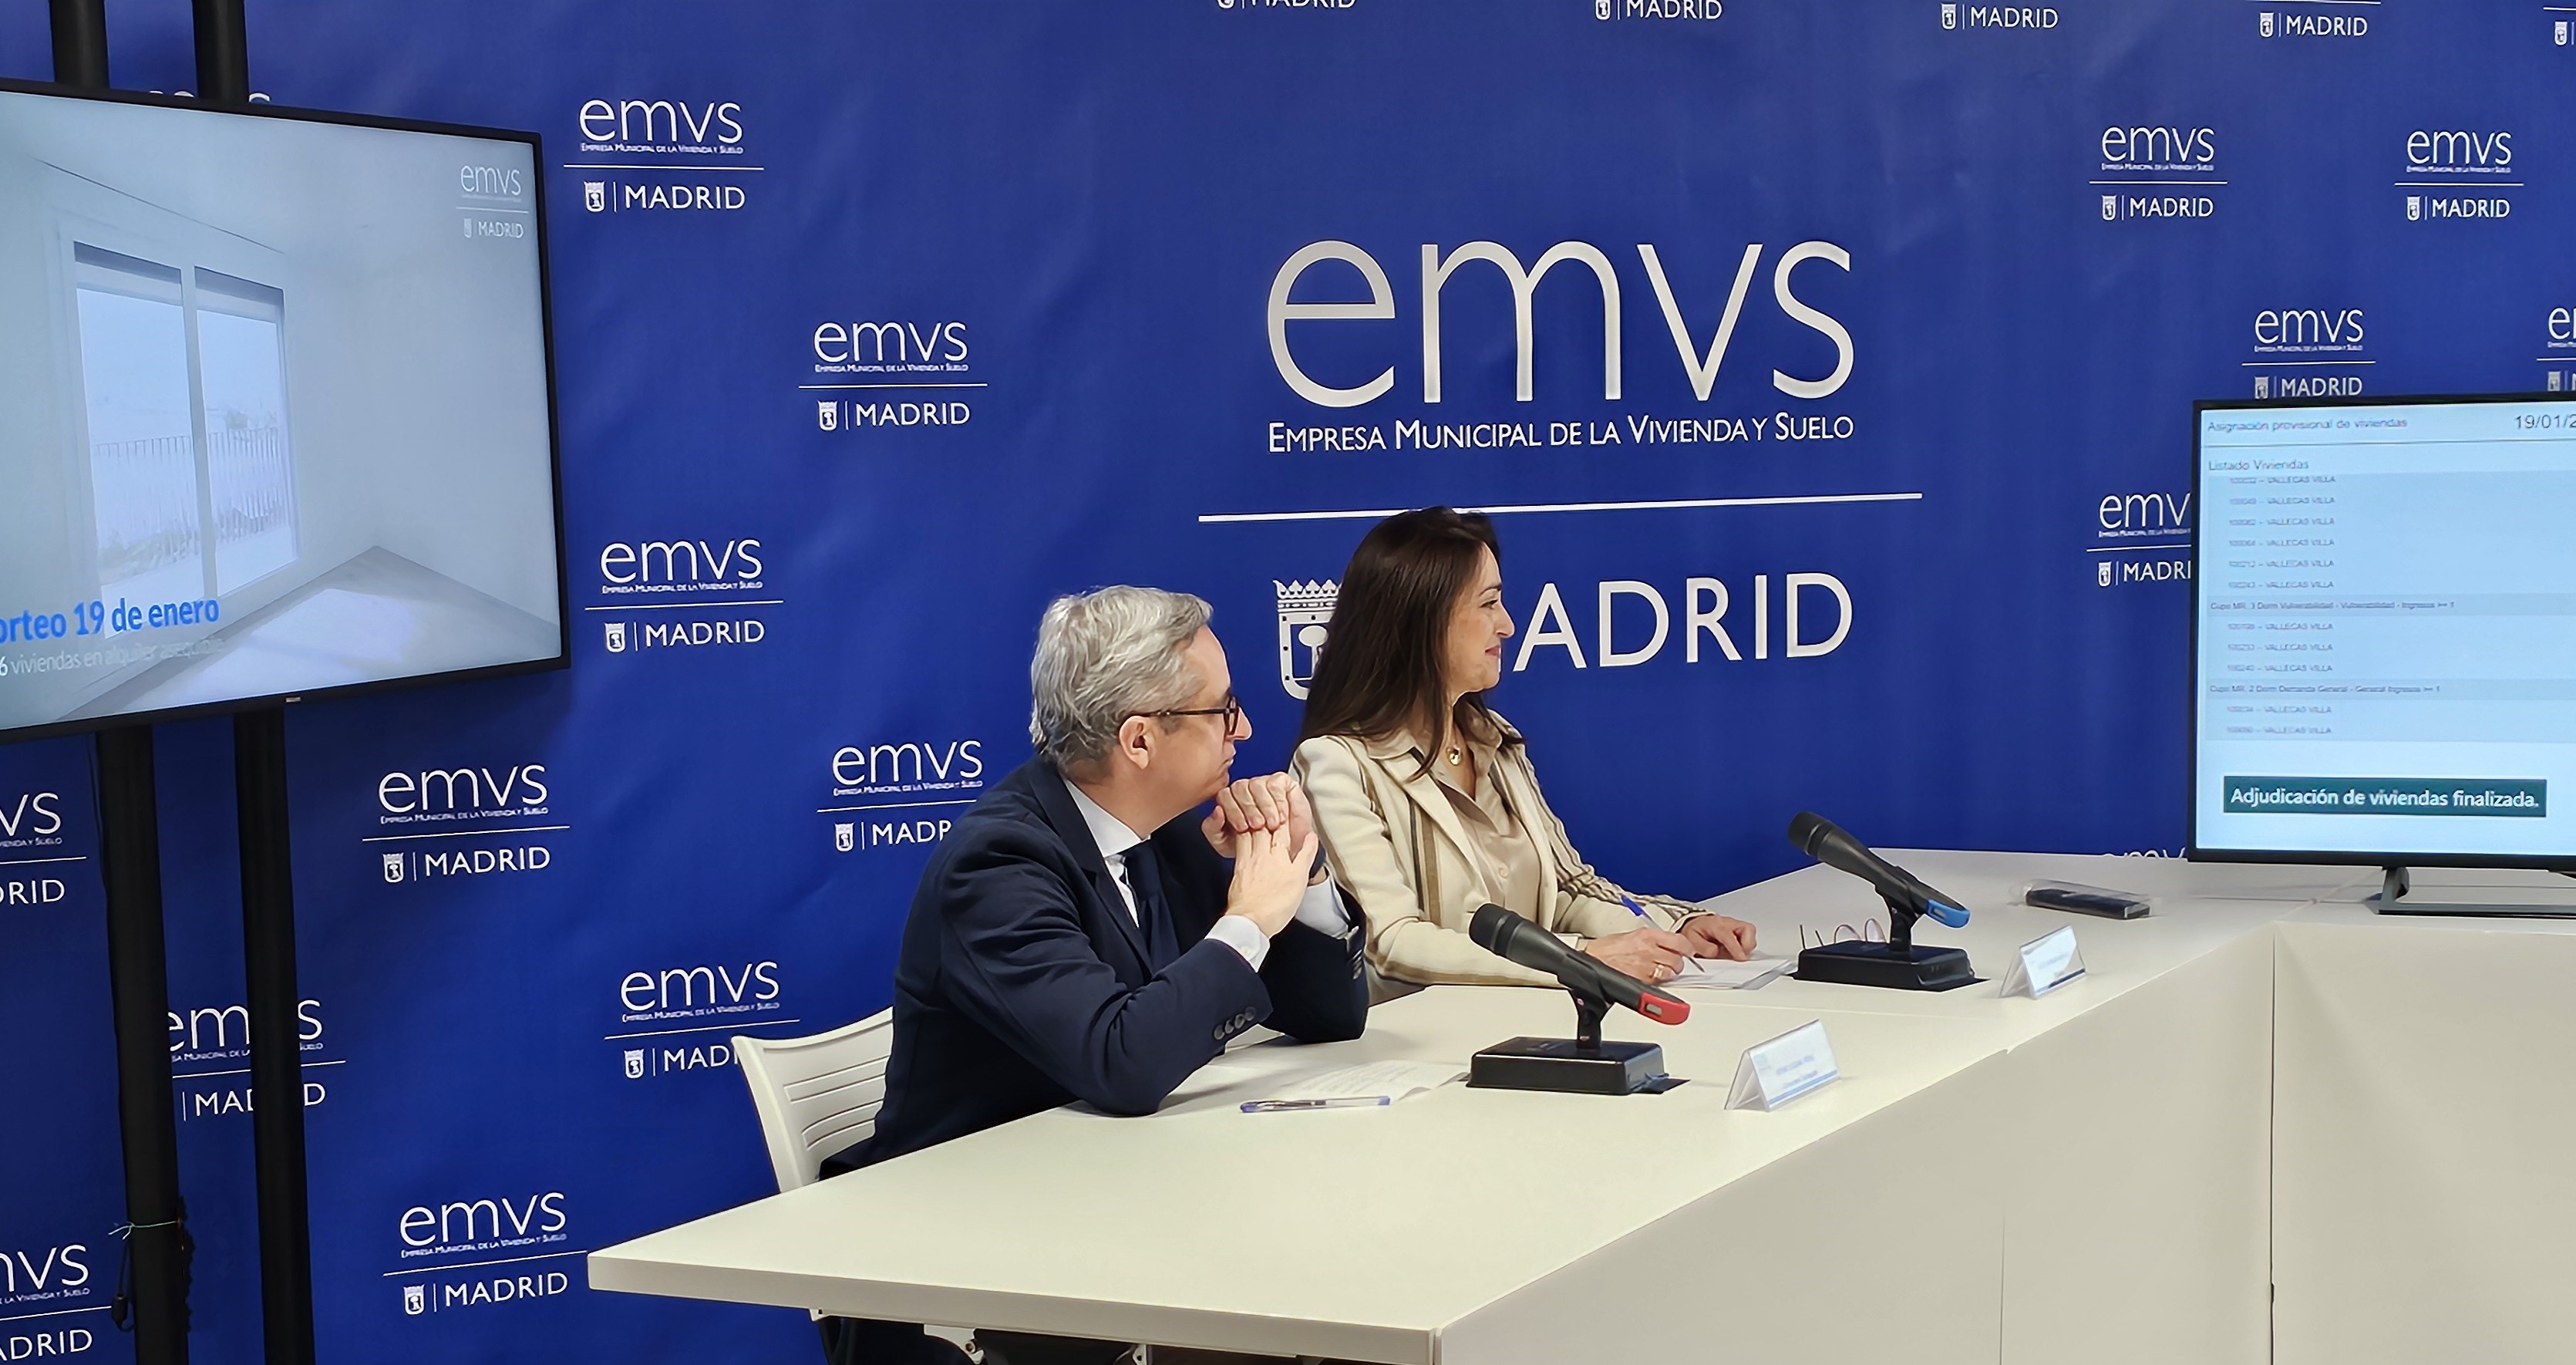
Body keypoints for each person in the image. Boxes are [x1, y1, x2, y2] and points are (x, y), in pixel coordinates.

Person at [826, 585, 1369, 1365]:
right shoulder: (1000, 866)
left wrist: (1298, 868)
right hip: (978, 1266)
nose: (1245, 729)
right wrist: (1249, 916)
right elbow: (1123, 1063)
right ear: (1139, 739)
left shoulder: (1159, 833)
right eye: (1223, 710)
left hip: (1124, 1213)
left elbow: (1329, 1018)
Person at [1293, 508, 1756, 993]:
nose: (1508, 625)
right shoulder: (1338, 765)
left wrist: (1676, 928)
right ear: (1422, 618)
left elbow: (1568, 890)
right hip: (1422, 1034)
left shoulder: (1492, 738)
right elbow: (1390, 943)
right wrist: (1578, 961)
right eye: (1489, 603)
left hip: (1533, 1019)